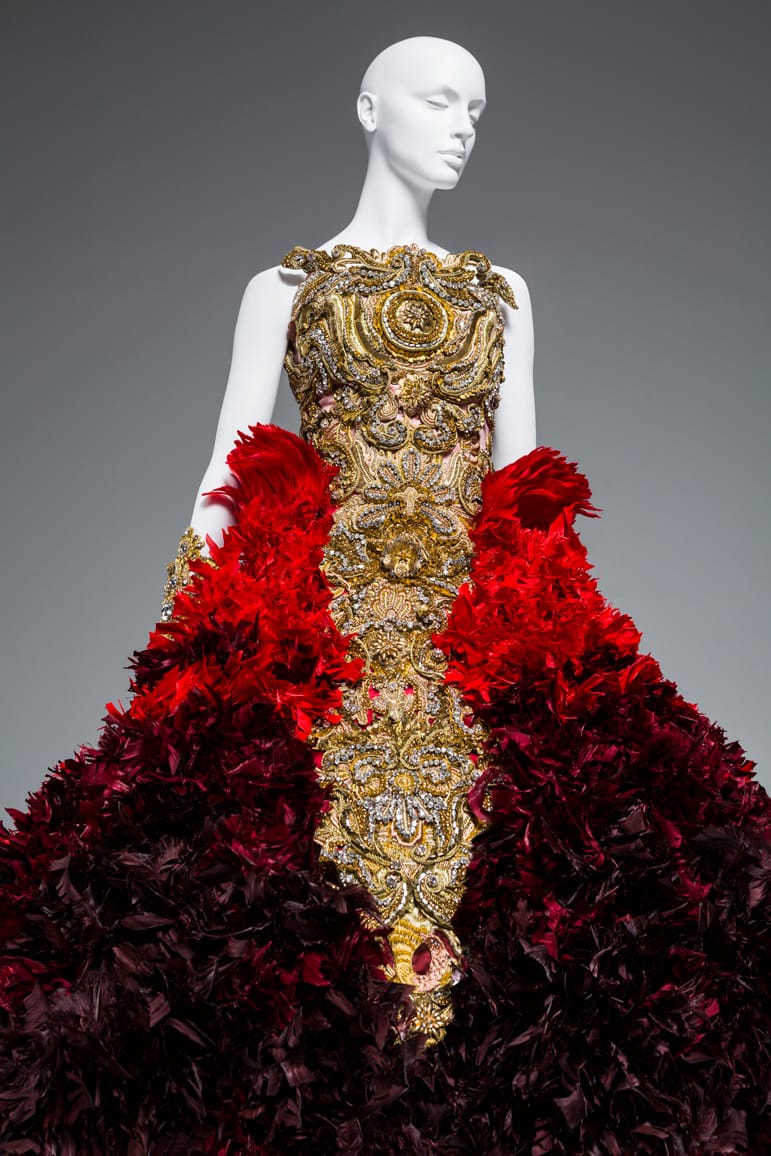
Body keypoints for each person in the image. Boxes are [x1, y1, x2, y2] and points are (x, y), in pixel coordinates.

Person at [1, 34, 769, 1156]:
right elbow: (229, 464)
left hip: (471, 634)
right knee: (263, 908)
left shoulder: (501, 294)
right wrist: (190, 629)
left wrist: (560, 622)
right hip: (325, 632)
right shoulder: (286, 287)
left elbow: (524, 481)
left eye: (478, 110)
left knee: (566, 891)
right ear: (369, 108)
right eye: (440, 99)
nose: (463, 127)